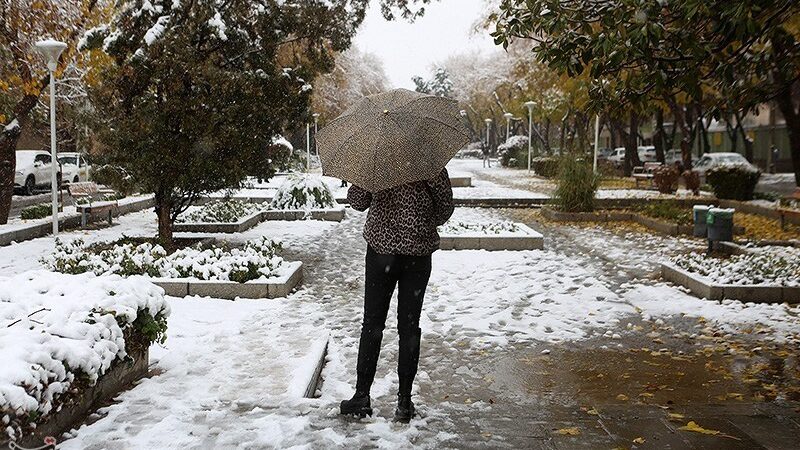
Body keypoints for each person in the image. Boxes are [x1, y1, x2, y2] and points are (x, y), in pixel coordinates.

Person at [340, 168, 454, 423]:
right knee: (409, 327)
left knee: (372, 324)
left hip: (381, 252)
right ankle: (404, 401)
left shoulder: (378, 159)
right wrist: (420, 218)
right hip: (418, 253)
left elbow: (357, 201)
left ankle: (361, 396)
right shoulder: (429, 161)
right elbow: (445, 209)